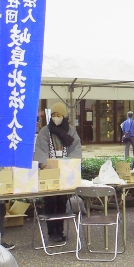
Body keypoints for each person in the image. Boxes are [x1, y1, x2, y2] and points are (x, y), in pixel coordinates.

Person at [33, 102, 82, 243]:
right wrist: (45, 165)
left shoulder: (71, 131)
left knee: (62, 201)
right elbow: (41, 150)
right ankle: (51, 232)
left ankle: (60, 230)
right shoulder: (44, 132)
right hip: (49, 172)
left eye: (59, 115)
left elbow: (75, 149)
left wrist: (70, 165)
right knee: (50, 201)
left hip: (65, 173)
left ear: (64, 116)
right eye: (53, 115)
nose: (56, 118)